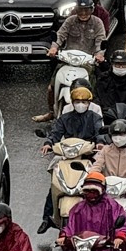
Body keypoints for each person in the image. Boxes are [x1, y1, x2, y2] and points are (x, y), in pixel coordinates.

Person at [38, 84, 103, 232]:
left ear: (89, 103)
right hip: (67, 156)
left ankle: (102, 215)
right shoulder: (64, 118)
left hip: (88, 155)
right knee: (55, 184)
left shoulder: (95, 118)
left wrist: (100, 143)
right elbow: (55, 133)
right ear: (72, 103)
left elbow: (100, 133)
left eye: (84, 102)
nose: (81, 104)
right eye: (78, 101)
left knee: (100, 180)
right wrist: (48, 143)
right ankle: (47, 218)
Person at [34, 0, 107, 122]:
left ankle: (93, 115)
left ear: (92, 10)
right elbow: (60, 36)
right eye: (80, 10)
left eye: (86, 10)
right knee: (51, 88)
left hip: (87, 62)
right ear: (76, 10)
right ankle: (51, 112)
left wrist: (99, 55)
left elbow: (100, 41)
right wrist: (54, 48)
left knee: (94, 89)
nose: (83, 13)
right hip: (67, 60)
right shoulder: (70, 21)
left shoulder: (97, 23)